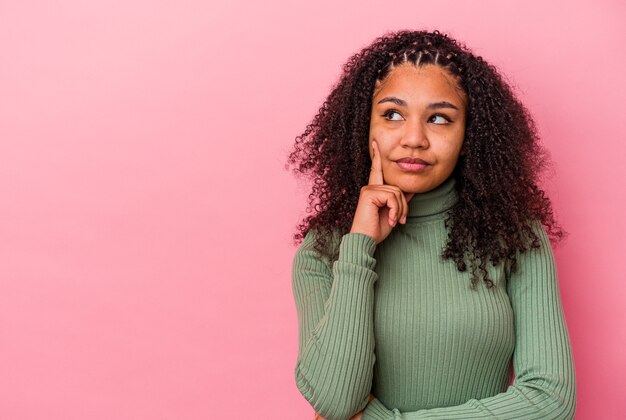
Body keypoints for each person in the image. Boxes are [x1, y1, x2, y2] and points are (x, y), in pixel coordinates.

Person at [286, 29, 576, 420]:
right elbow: (335, 400)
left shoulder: (515, 235)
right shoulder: (325, 248)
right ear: (363, 126)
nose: (414, 139)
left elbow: (550, 402)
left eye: (439, 118)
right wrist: (359, 246)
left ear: (468, 134)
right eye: (392, 114)